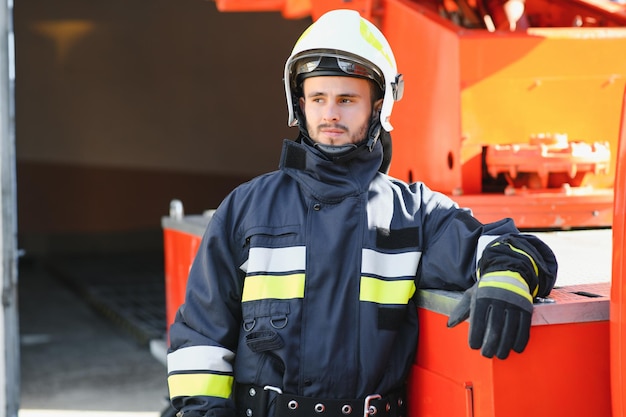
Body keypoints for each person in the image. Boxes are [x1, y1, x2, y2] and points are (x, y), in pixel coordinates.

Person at [166, 9, 557, 417]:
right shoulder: (247, 208)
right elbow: (200, 334)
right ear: (299, 104)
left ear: (379, 106)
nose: (330, 114)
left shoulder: (413, 214)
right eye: (318, 98)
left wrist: (510, 277)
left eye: (347, 100)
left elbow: (508, 245)